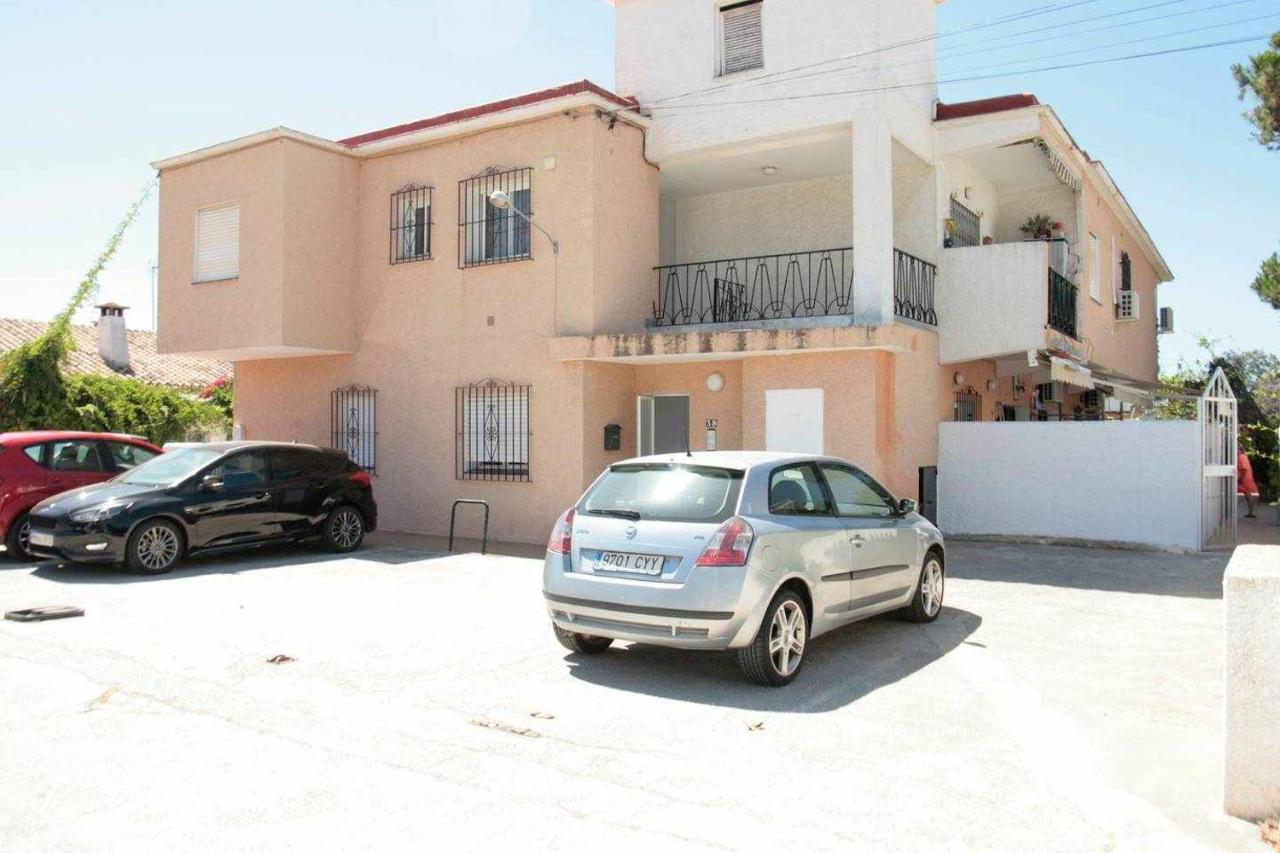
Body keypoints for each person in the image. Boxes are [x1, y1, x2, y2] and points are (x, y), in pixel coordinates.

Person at [1238, 449, 1260, 519]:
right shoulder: (1244, 456)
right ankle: (1251, 512)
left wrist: (1240, 478)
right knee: (1248, 495)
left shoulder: (1241, 457)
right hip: (1247, 477)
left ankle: (1251, 512)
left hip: (1245, 479)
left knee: (1249, 495)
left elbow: (1244, 469)